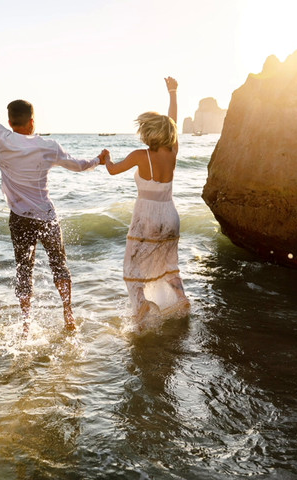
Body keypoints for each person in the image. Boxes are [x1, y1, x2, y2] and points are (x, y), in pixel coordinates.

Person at [0, 34, 109, 332]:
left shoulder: (0, 136)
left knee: (24, 269)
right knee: (59, 265)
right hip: (47, 218)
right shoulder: (48, 146)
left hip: (19, 219)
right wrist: (99, 161)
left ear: (10, 121)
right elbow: (77, 165)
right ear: (32, 121)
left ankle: (25, 323)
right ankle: (68, 315)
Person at [103, 76, 190, 326]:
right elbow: (172, 121)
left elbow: (112, 170)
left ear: (147, 133)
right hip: (170, 216)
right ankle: (181, 298)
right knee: (168, 263)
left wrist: (106, 157)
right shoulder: (172, 152)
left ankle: (141, 304)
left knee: (133, 265)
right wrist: (173, 92)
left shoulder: (140, 156)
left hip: (146, 217)